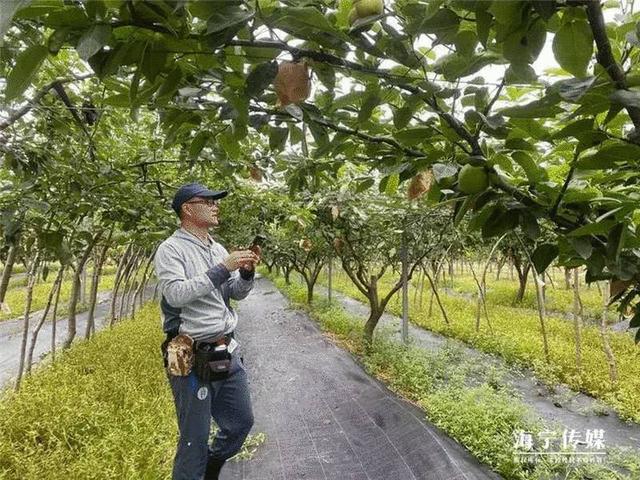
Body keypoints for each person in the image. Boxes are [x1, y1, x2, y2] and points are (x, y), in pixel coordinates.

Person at [154, 182, 260, 480]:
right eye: (208, 201)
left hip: (227, 350)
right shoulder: (170, 249)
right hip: (191, 357)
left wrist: (246, 273)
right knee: (193, 441)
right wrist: (222, 268)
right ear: (187, 208)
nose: (216, 206)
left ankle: (211, 466)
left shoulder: (218, 248)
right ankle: (195, 471)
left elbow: (233, 293)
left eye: (216, 201)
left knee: (241, 423)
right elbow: (176, 294)